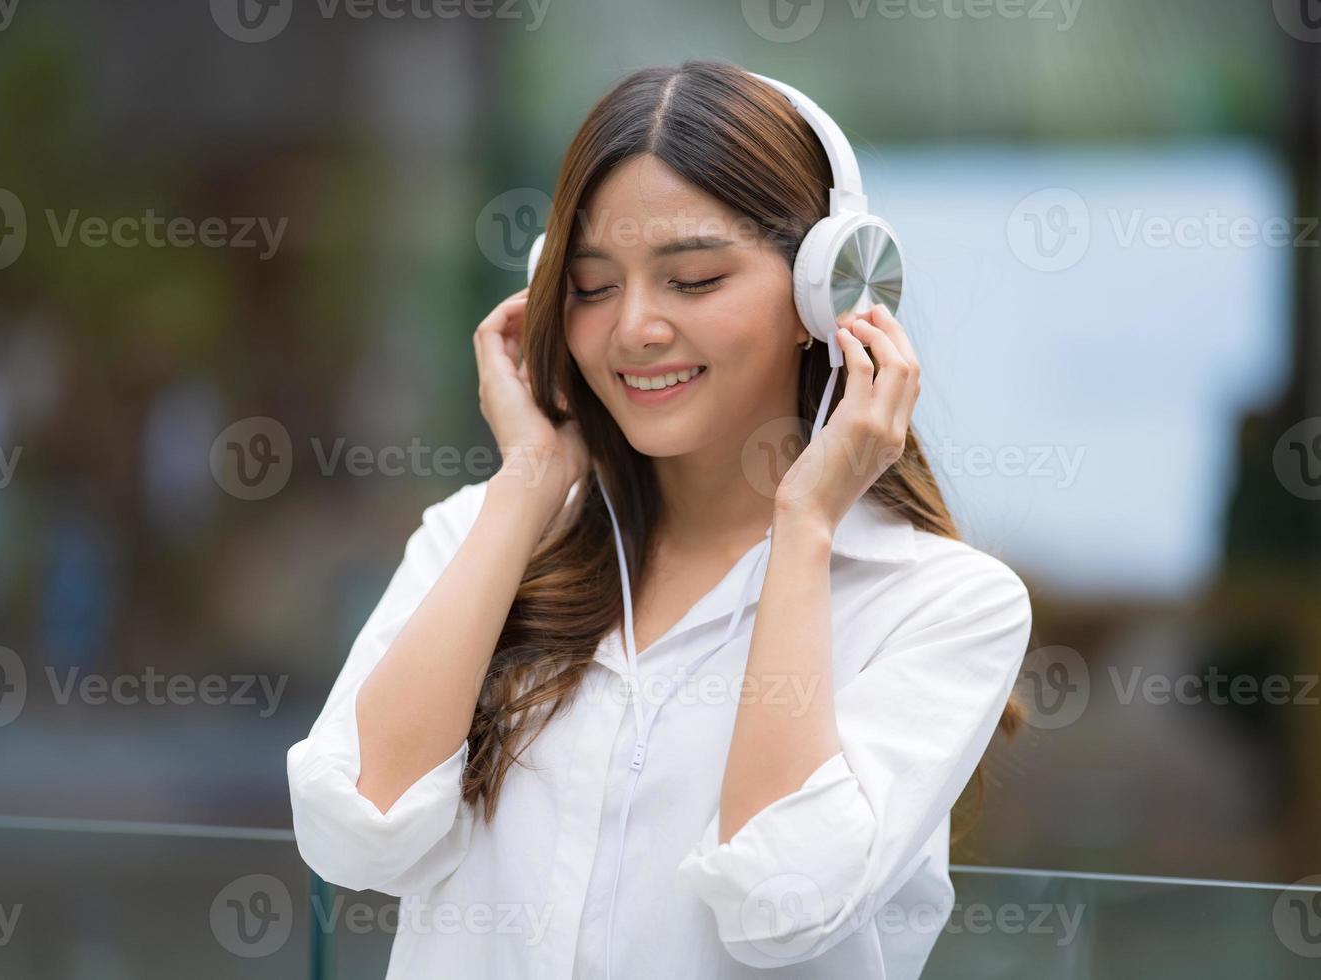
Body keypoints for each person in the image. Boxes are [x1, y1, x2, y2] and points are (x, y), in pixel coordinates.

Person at [288, 59, 1033, 979]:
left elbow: (780, 904)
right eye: (594, 286)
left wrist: (804, 525)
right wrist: (529, 480)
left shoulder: (941, 606)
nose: (634, 327)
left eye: (692, 280)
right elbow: (357, 836)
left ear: (825, 295)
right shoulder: (479, 537)